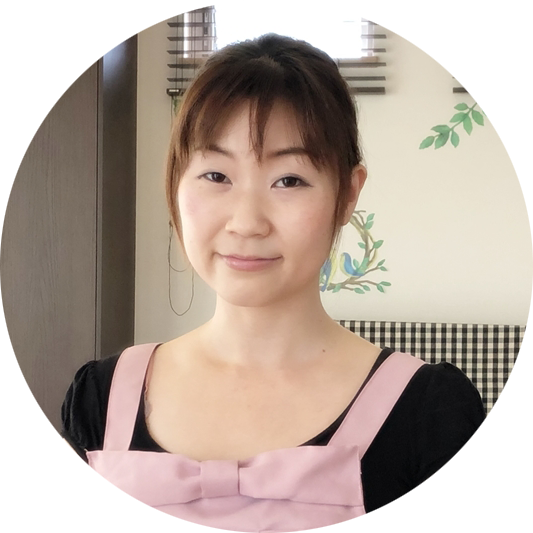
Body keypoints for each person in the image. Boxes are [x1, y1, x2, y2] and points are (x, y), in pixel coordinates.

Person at [43, 33, 499, 533]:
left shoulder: (429, 410)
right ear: (174, 182)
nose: (246, 222)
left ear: (348, 195)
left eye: (289, 180)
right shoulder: (102, 396)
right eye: (216, 176)